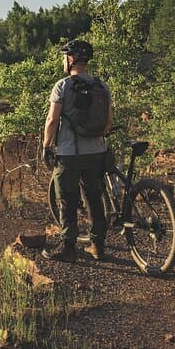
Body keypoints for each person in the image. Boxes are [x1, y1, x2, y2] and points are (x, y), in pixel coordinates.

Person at [41, 39, 113, 261]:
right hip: (97, 153)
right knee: (94, 198)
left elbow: (53, 120)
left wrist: (46, 145)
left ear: (70, 59)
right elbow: (108, 122)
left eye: (65, 56)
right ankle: (98, 246)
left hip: (70, 154)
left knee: (68, 200)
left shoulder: (63, 86)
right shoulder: (101, 86)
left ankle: (68, 248)